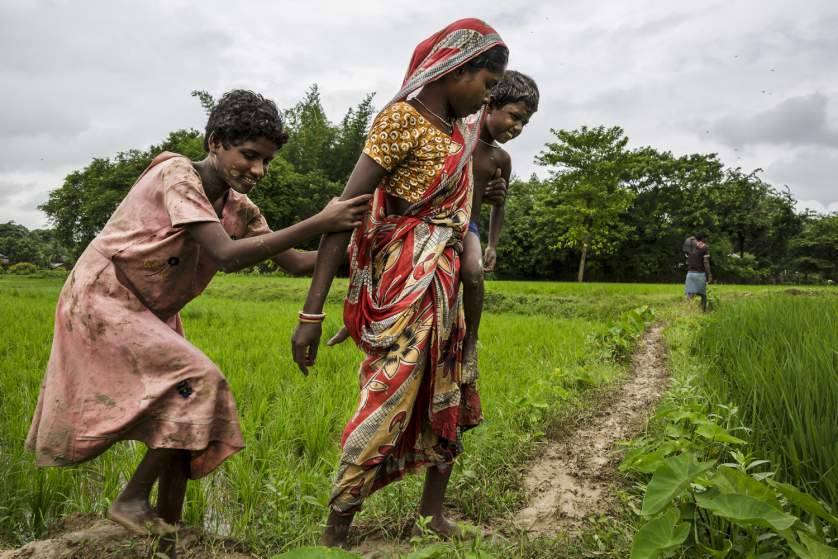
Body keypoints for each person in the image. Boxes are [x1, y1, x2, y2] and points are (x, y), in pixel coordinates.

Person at [25, 90, 371, 540]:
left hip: (149, 309)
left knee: (186, 402)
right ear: (214, 143)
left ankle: (166, 527)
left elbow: (298, 261)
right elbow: (224, 255)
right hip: (104, 297)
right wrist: (320, 221)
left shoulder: (240, 209)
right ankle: (131, 500)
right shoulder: (177, 175)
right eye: (248, 156)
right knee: (200, 380)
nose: (258, 171)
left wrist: (363, 244)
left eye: (265, 161)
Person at [289, 18, 508, 548]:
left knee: (446, 389)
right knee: (387, 398)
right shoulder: (400, 121)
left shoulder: (459, 135)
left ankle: (432, 514)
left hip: (445, 285)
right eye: (486, 83)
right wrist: (312, 314)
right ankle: (338, 526)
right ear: (458, 69)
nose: (486, 99)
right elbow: (343, 216)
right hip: (404, 287)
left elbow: (460, 216)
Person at [460, 70, 539, 374]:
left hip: (467, 227)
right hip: (435, 221)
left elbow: (499, 206)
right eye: (514, 116)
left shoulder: (499, 159)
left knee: (473, 271)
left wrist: (492, 244)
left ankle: (470, 343)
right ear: (490, 103)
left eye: (524, 123)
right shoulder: (457, 136)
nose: (518, 127)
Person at [683, 233, 712, 311]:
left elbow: (687, 256)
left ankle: (688, 312)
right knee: (703, 295)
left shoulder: (690, 246)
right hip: (700, 274)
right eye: (705, 239)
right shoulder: (705, 247)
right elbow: (706, 263)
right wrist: (709, 274)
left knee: (690, 295)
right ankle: (703, 312)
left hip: (690, 274)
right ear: (703, 239)